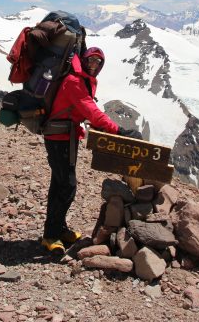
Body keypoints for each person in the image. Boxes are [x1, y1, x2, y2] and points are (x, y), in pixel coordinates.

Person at [40, 46, 142, 254]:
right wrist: (118, 130)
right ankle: (50, 235)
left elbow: (81, 109)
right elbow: (90, 109)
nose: (94, 65)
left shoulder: (80, 80)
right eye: (91, 61)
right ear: (84, 61)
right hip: (59, 138)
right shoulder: (75, 82)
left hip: (65, 136)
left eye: (98, 62)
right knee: (66, 186)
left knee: (59, 183)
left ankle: (59, 229)